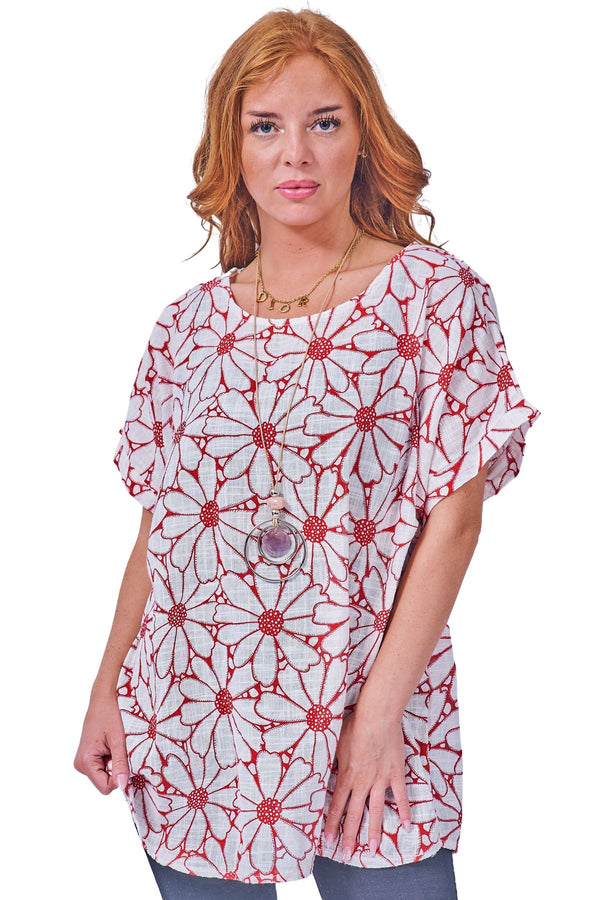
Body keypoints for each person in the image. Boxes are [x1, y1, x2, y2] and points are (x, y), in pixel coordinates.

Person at [74, 8, 541, 899]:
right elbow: (158, 532)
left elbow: (455, 524)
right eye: (266, 127)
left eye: (324, 123)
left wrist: (378, 718)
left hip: (370, 704)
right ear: (232, 145)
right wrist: (106, 688)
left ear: (363, 135)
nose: (296, 154)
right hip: (193, 711)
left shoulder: (433, 297)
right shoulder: (186, 328)